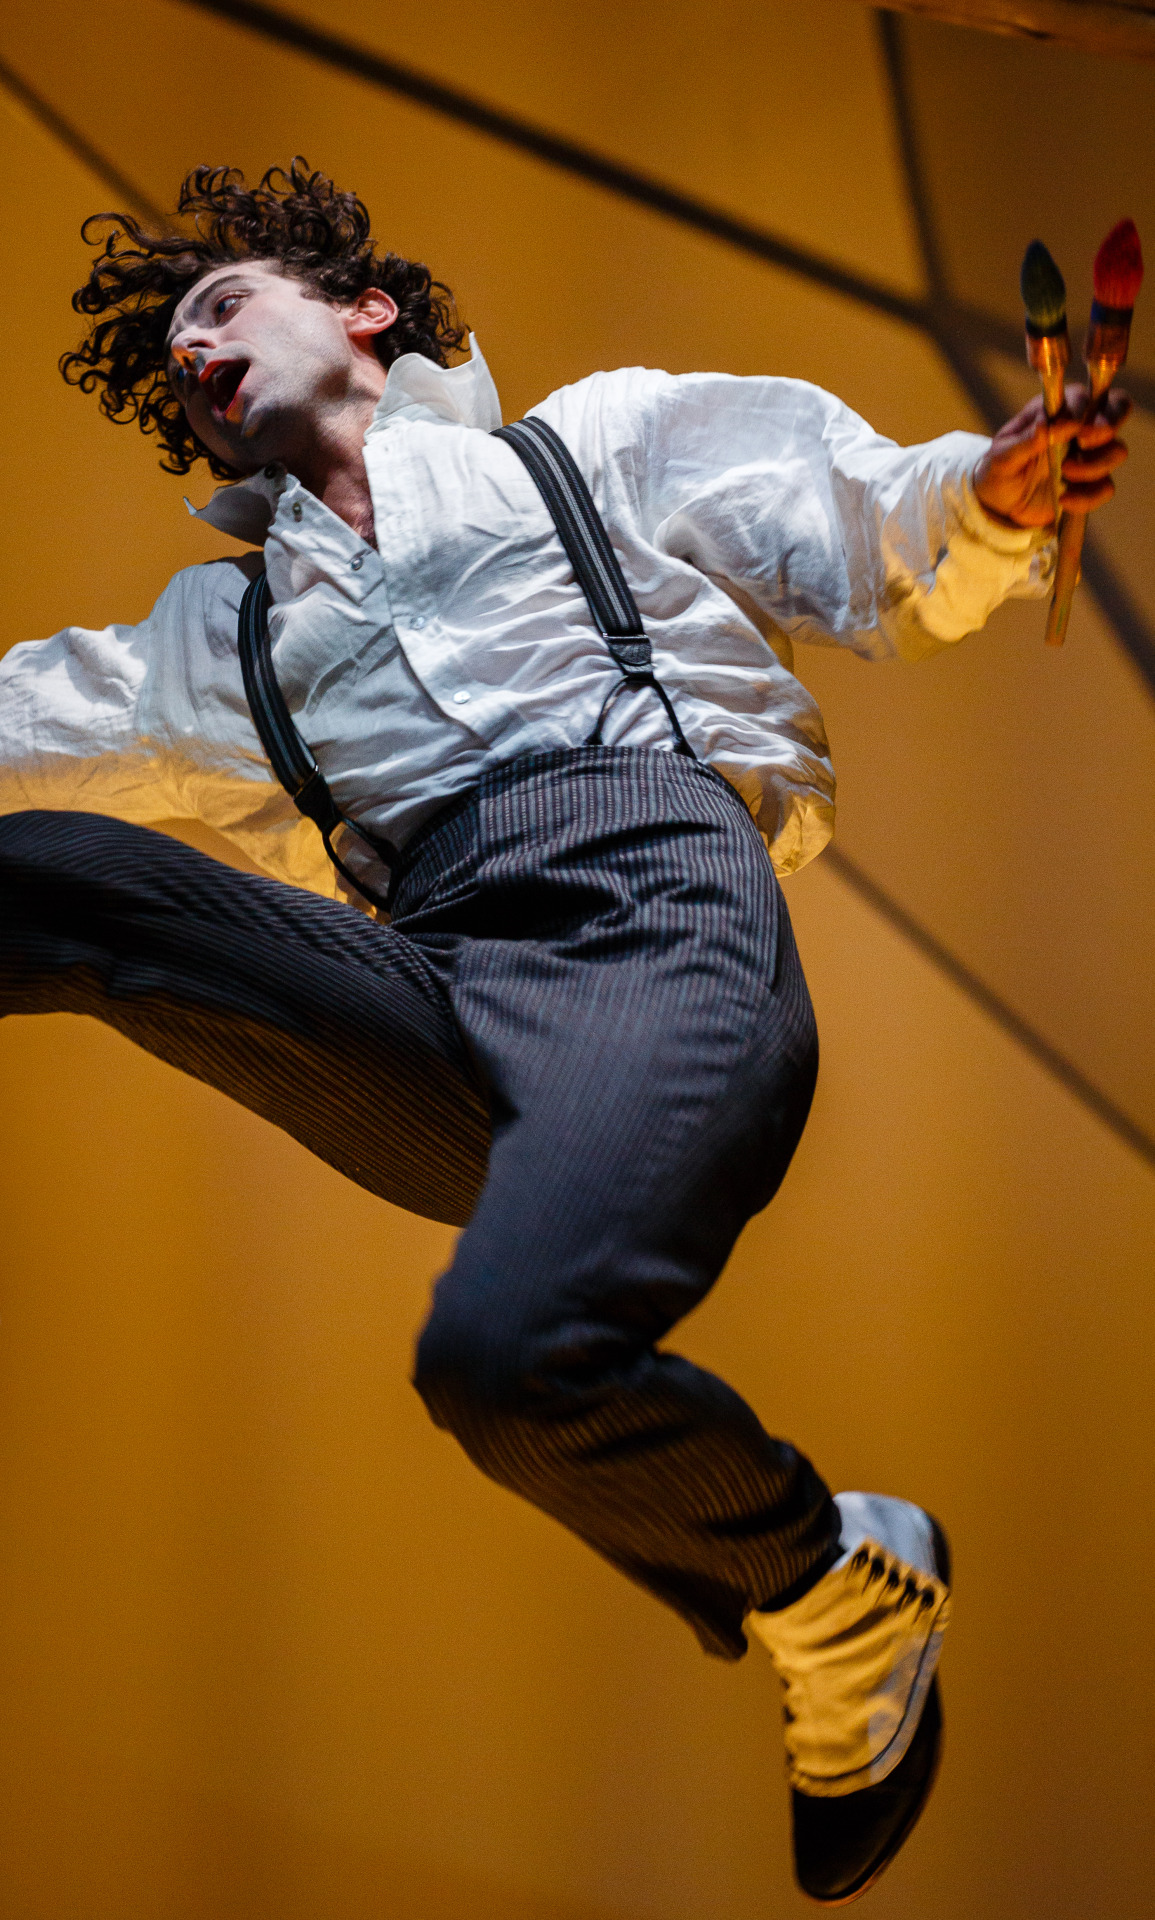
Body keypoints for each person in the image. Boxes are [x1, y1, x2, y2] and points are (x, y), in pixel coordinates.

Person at [0, 161, 1129, 1904]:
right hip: (438, 1004)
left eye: (221, 305)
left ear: (365, 309)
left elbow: (872, 523)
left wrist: (995, 495)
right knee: (48, 875)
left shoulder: (584, 448)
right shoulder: (221, 638)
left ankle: (825, 1590)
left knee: (505, 1360)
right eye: (173, 360)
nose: (193, 354)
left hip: (646, 926)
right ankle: (822, 1591)